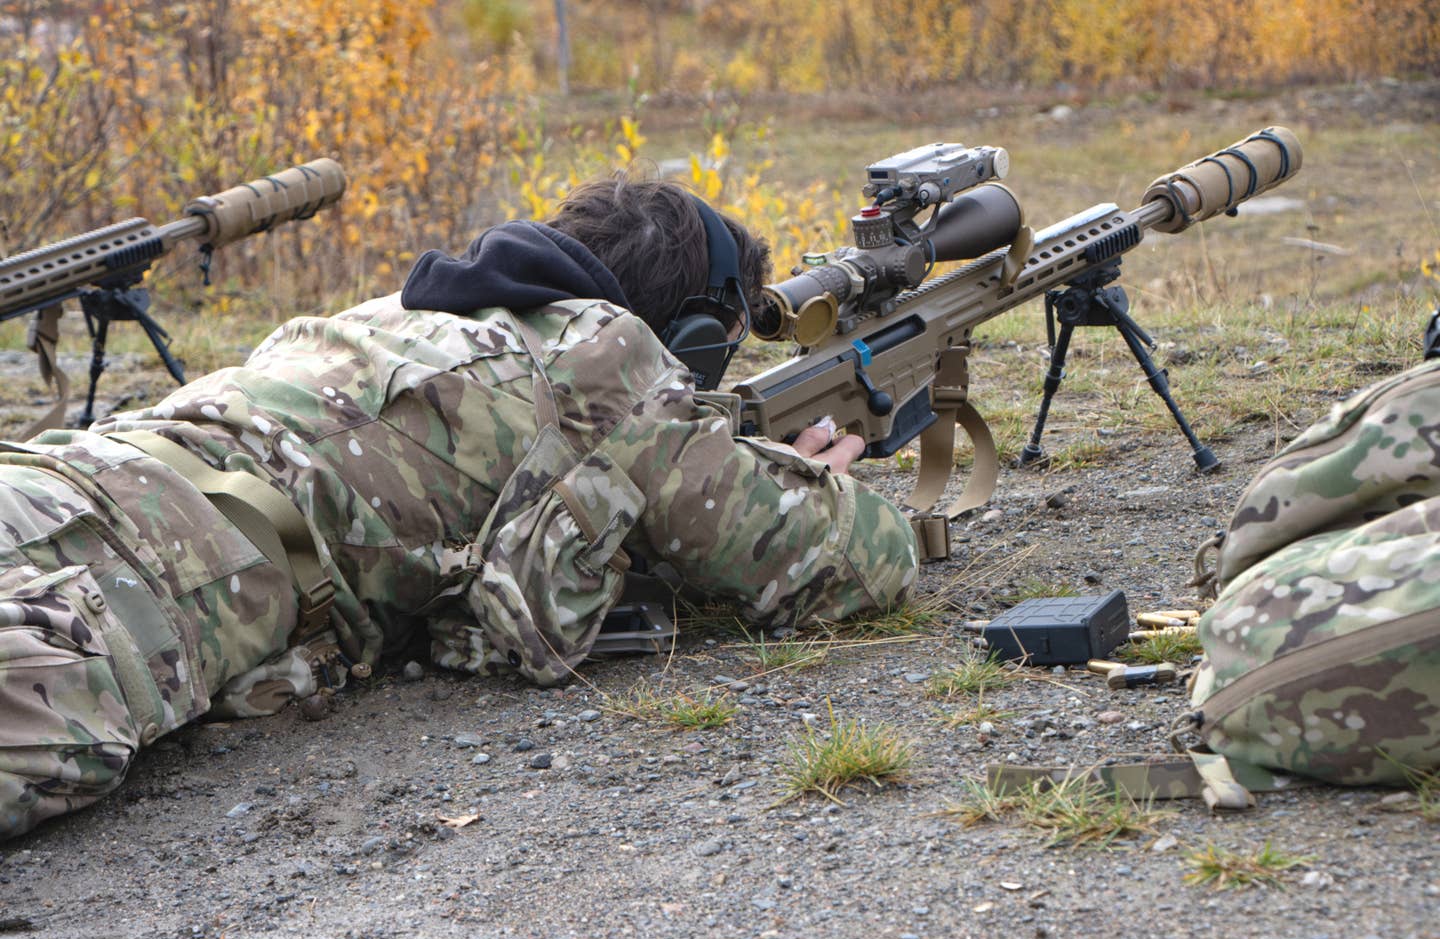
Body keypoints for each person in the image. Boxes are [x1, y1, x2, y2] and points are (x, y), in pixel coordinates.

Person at [0, 174, 919, 840]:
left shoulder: (389, 314)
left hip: (52, 483)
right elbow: (853, 563)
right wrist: (818, 478)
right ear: (676, 337)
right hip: (126, 587)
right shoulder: (610, 357)